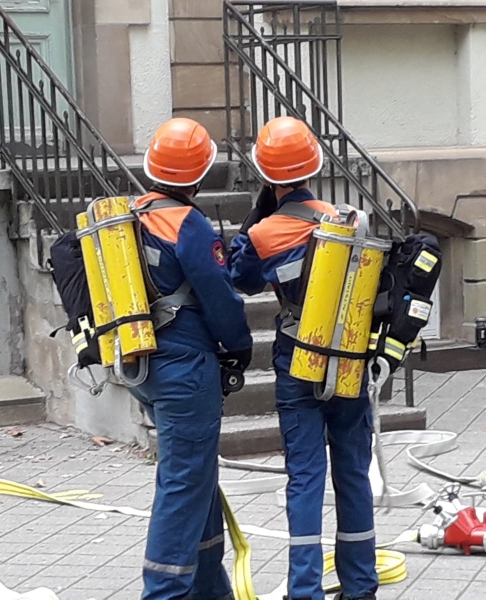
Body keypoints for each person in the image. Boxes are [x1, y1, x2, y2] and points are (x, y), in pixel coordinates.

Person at [228, 116, 378, 600]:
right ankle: (361, 586)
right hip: (349, 358)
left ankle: (305, 590)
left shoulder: (265, 233)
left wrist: (255, 224)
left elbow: (242, 279)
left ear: (265, 176)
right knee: (353, 471)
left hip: (298, 358)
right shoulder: (346, 218)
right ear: (313, 167)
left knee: (306, 477)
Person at [129, 117, 253, 600]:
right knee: (183, 483)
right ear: (200, 175)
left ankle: (209, 589)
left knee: (196, 474)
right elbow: (219, 295)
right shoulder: (189, 224)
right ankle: (163, 592)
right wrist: (239, 345)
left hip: (145, 363)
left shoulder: (133, 214)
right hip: (185, 368)